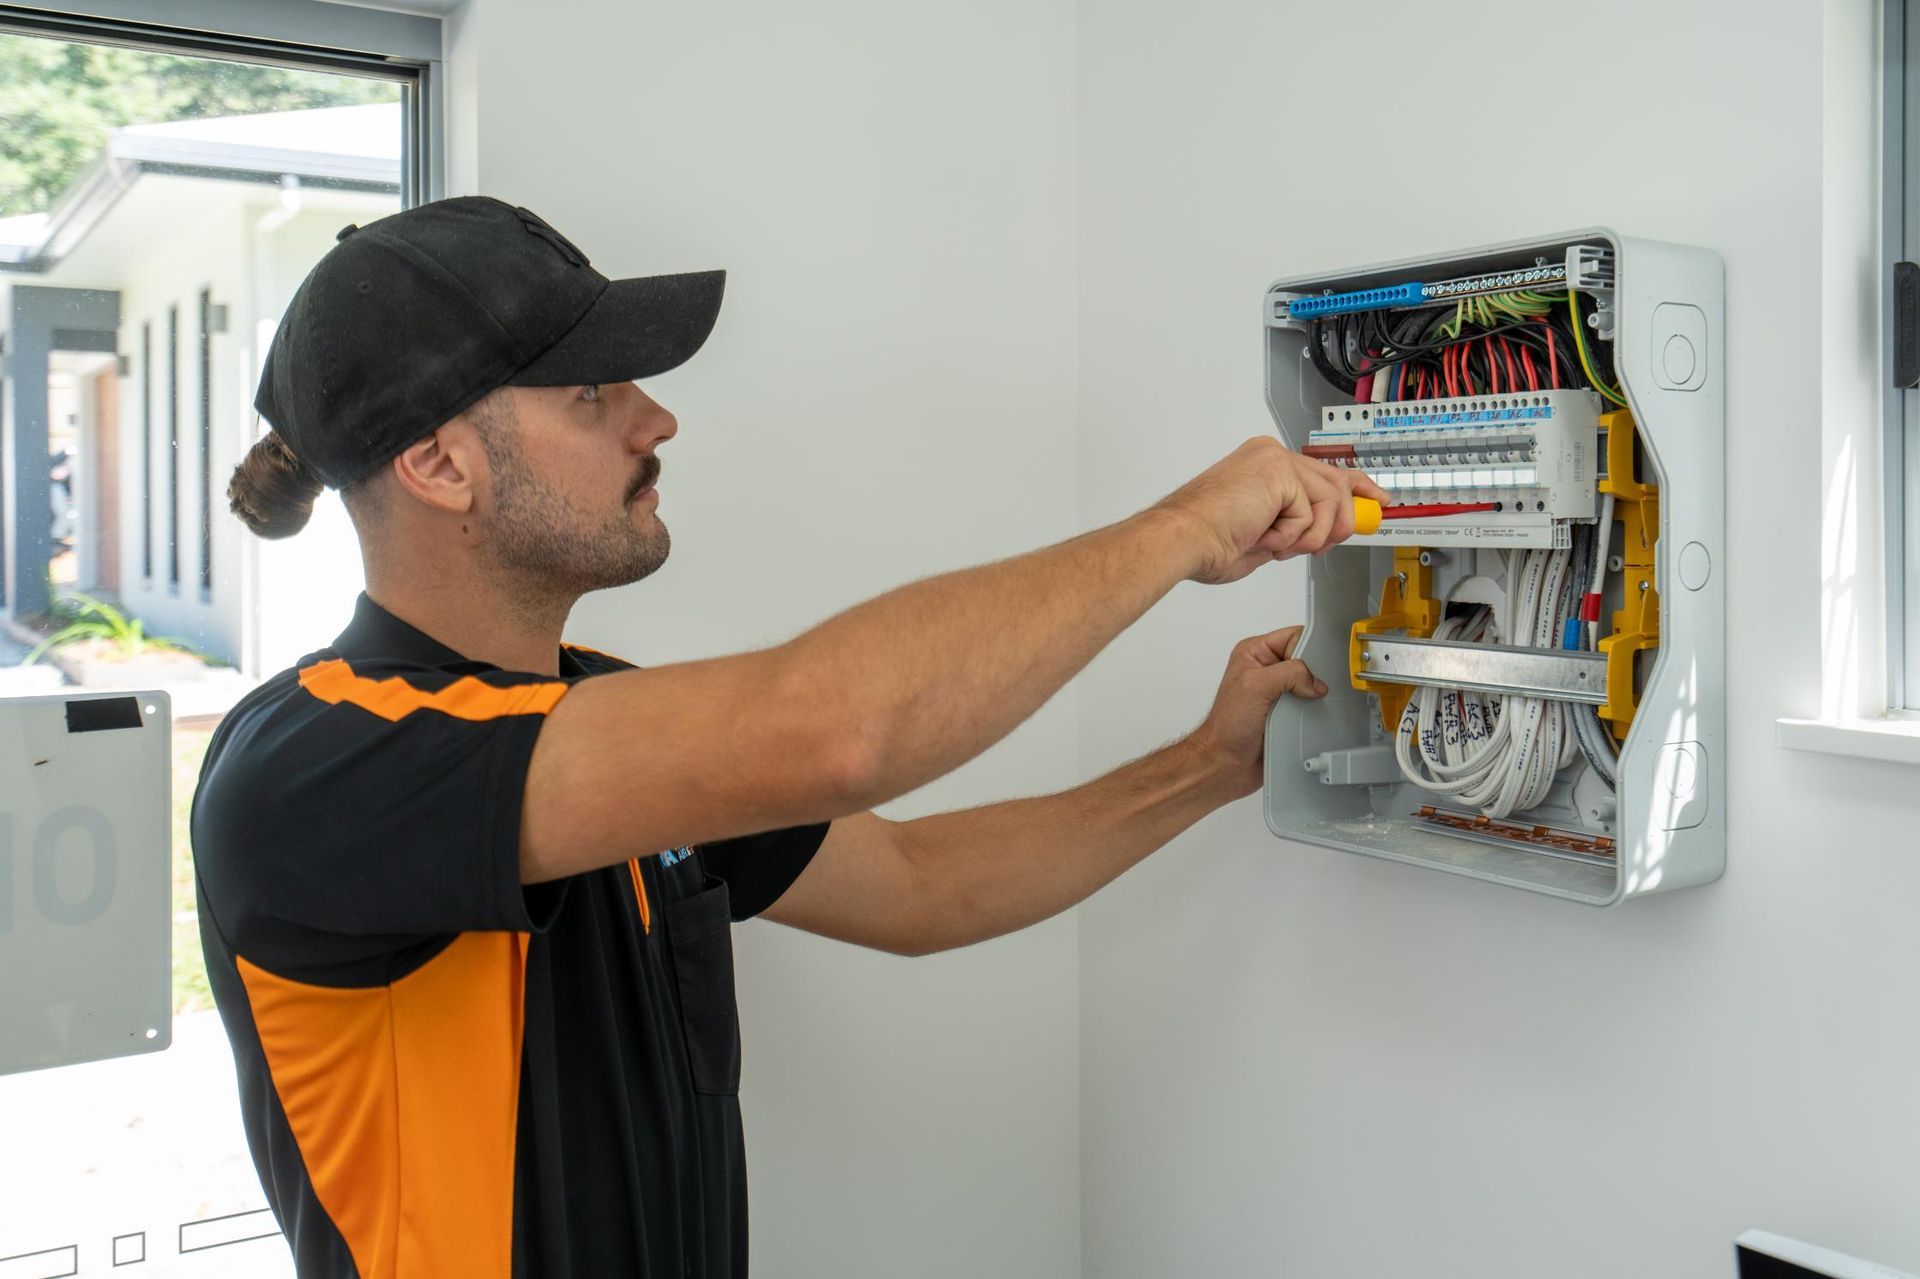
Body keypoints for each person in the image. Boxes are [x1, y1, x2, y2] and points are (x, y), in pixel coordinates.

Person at [191, 195, 1388, 1279]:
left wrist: (1206, 766)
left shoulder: (597, 714)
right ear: (440, 465)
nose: (656, 419)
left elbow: (919, 883)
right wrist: (1184, 527)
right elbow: (837, 731)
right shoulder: (309, 768)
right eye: (592, 393)